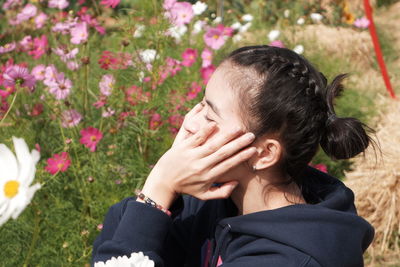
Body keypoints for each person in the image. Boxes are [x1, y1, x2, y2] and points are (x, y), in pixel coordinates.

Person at [92, 45, 375, 267]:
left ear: (264, 154)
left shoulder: (290, 259)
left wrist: (160, 187)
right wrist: (161, 189)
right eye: (201, 103)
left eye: (210, 114)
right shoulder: (219, 199)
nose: (190, 121)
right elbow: (118, 238)